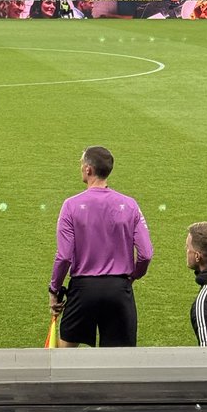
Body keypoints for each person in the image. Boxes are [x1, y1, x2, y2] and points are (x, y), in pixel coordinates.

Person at [49, 146, 153, 347]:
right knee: (119, 362)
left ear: (88, 169)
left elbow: (63, 257)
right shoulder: (130, 204)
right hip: (119, 290)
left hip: (83, 290)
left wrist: (54, 289)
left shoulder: (71, 205)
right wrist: (132, 276)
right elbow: (146, 254)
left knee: (65, 357)